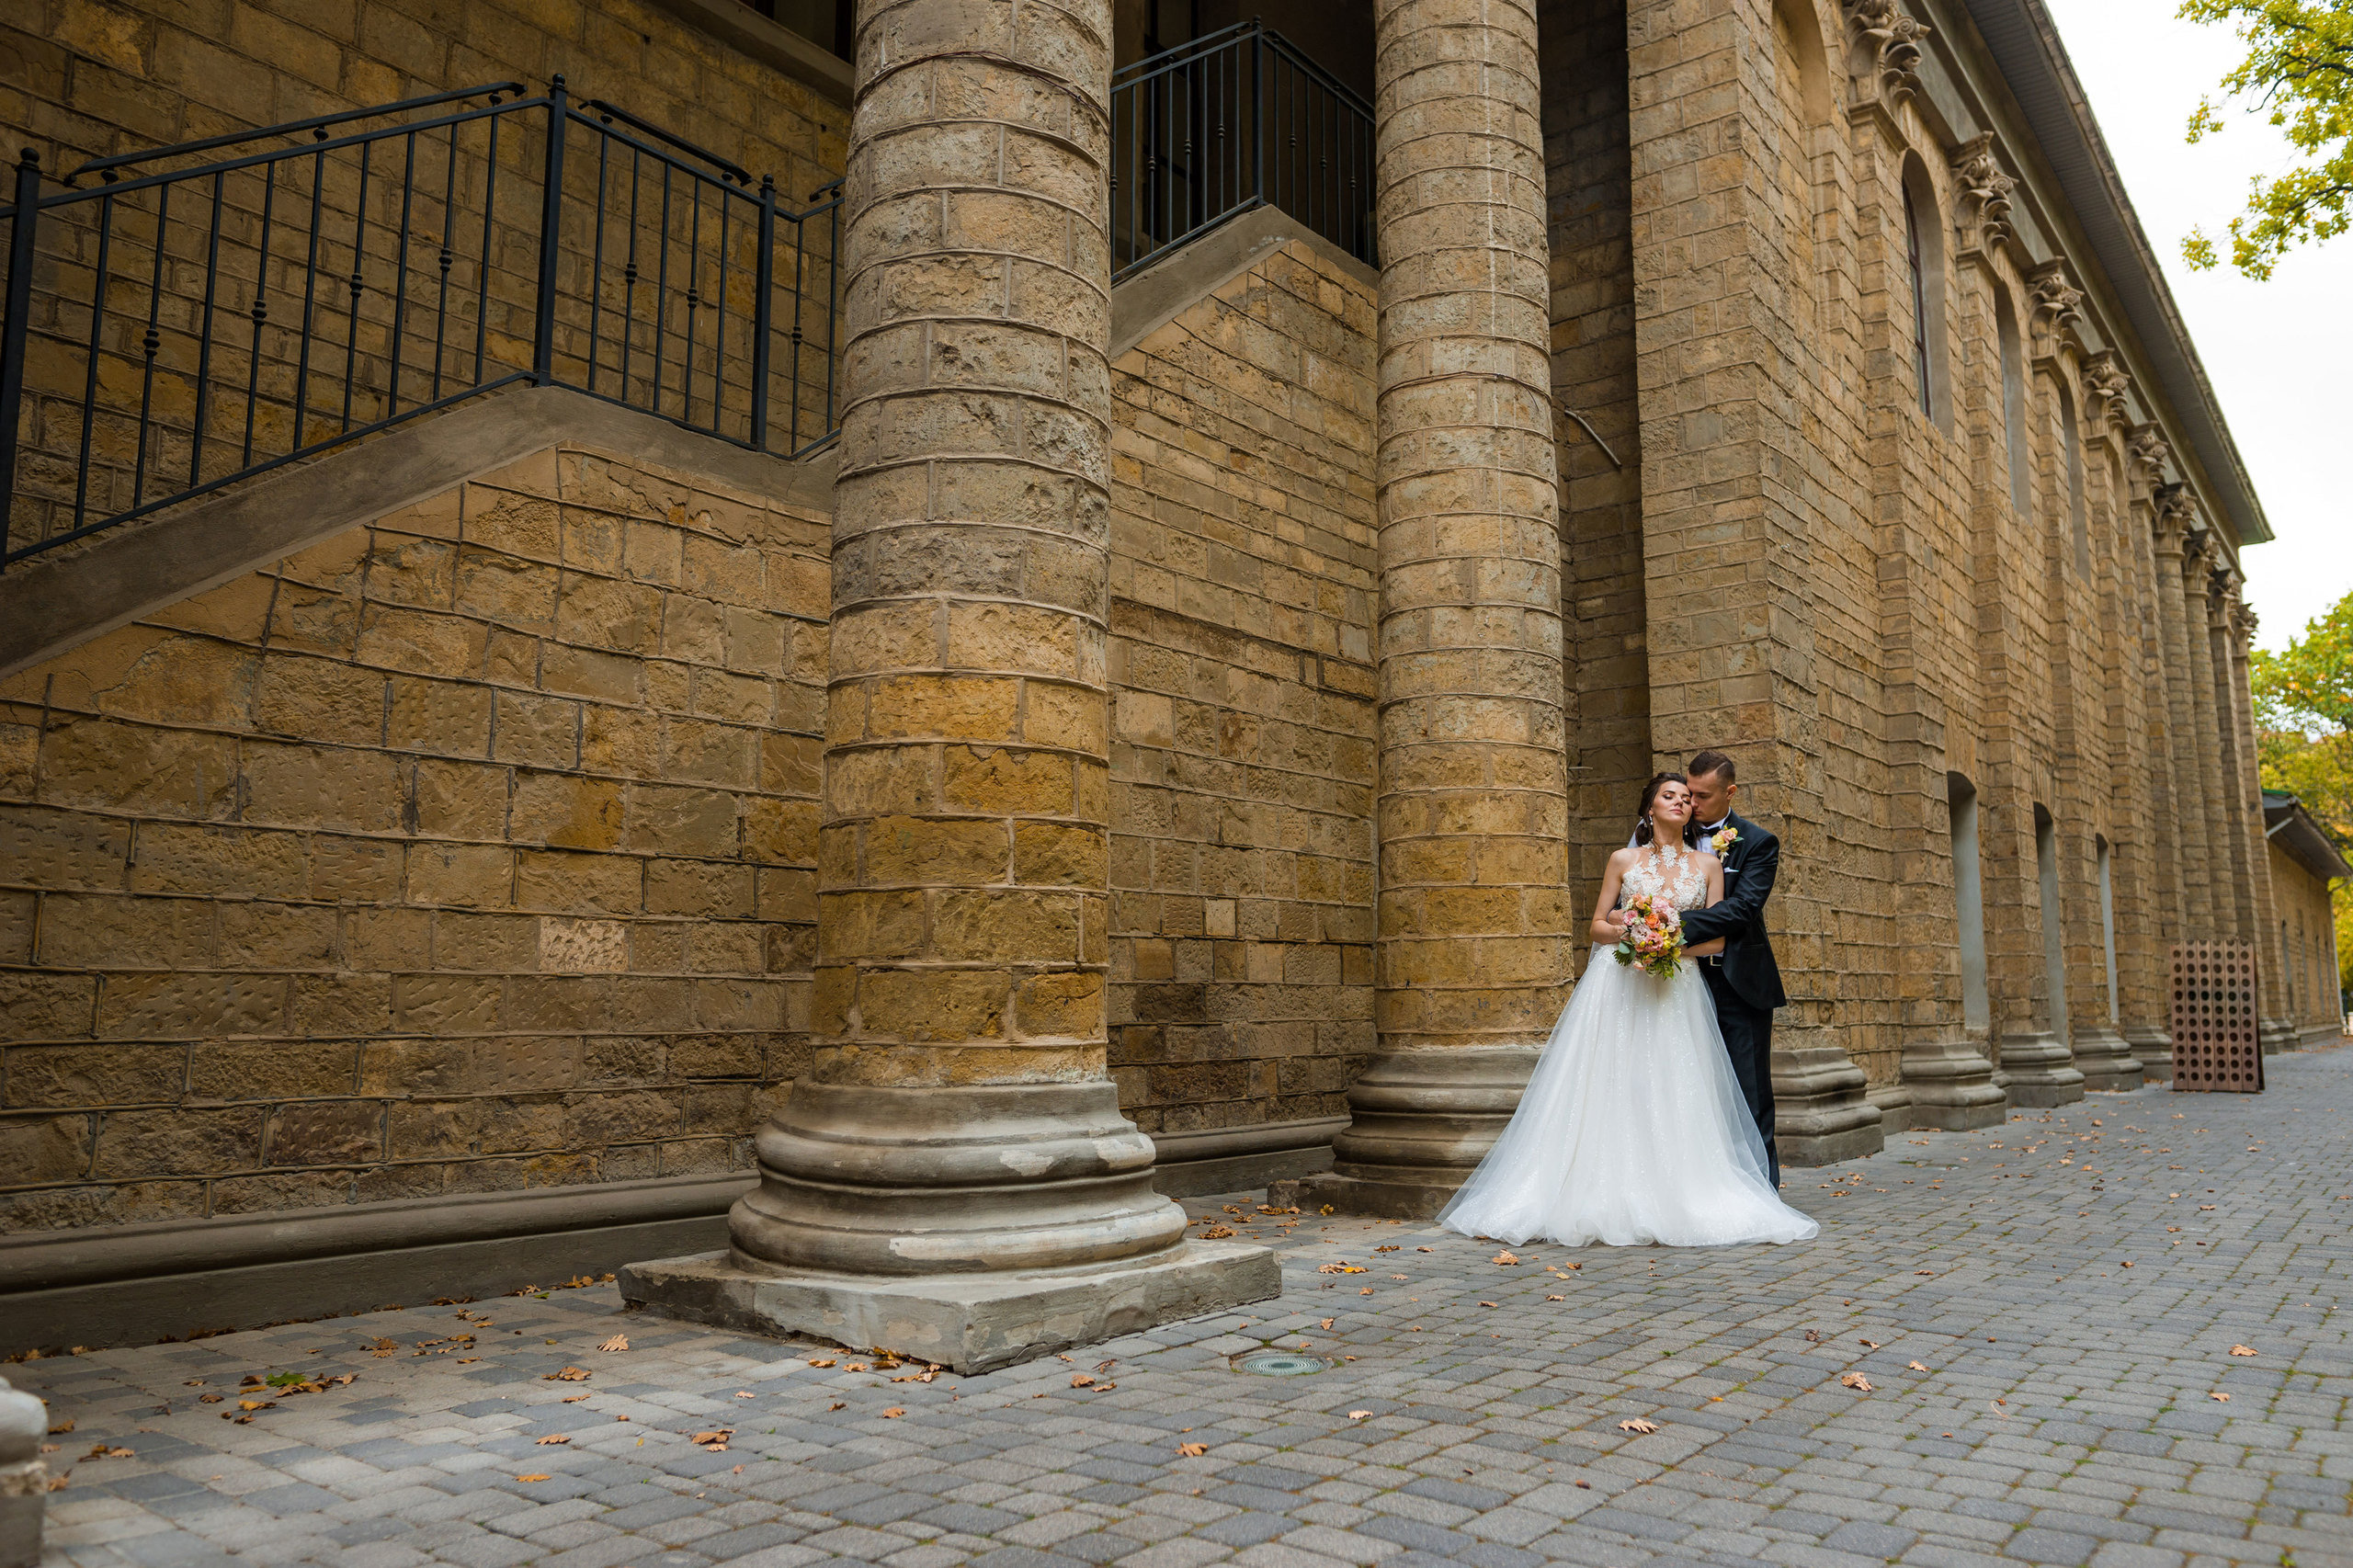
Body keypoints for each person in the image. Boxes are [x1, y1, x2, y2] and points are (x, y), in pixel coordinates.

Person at [1436, 773, 1817, 1248]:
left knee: (1676, 1083)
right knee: (1615, 1079)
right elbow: (1597, 926)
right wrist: (1634, 934)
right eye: (1669, 795)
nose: (1680, 802)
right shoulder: (1622, 859)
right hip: (1620, 983)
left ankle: (1682, 1190)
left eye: (1685, 797)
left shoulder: (1708, 864)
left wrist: (1665, 942)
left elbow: (1717, 939)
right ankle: (1603, 1186)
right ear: (1650, 807)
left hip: (1678, 987)